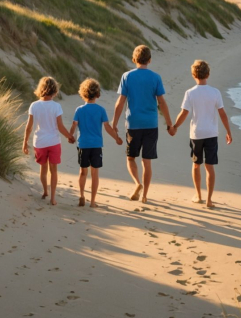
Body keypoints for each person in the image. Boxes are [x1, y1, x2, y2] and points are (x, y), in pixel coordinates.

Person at [112, 45, 174, 203]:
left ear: (134, 59)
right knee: (147, 161)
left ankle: (137, 183)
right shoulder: (155, 77)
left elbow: (120, 102)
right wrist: (169, 123)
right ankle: (145, 195)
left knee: (131, 158)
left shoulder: (127, 76)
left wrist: (114, 123)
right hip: (151, 124)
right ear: (150, 59)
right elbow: (162, 102)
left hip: (133, 124)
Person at [170, 60, 232, 209]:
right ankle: (209, 200)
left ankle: (198, 195)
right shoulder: (215, 92)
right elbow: (222, 113)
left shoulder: (190, 93)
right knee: (209, 167)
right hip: (211, 133)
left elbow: (184, 113)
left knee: (196, 165)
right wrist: (228, 132)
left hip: (196, 134)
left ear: (193, 75)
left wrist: (175, 126)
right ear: (208, 74)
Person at [69, 78, 122, 208]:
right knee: (94, 174)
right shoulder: (101, 110)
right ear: (98, 94)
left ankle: (81, 195)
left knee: (82, 172)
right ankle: (92, 202)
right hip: (96, 145)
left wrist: (70, 136)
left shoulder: (79, 110)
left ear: (83, 94)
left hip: (83, 144)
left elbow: (74, 125)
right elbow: (107, 127)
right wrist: (116, 137)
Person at [22, 76, 74, 206]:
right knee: (54, 170)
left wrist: (25, 142)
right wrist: (69, 136)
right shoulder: (56, 106)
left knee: (43, 169)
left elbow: (29, 127)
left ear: (40, 89)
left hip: (39, 142)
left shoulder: (34, 105)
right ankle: (53, 198)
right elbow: (60, 126)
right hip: (54, 142)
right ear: (55, 91)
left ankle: (45, 191)